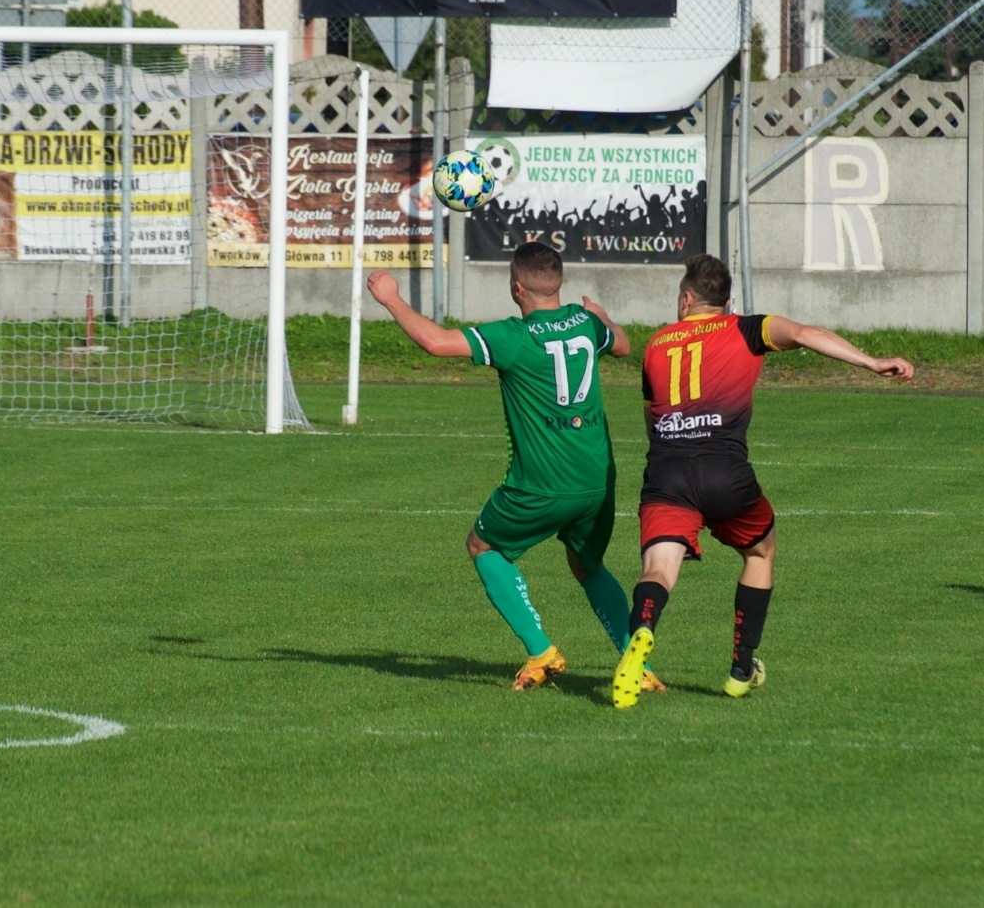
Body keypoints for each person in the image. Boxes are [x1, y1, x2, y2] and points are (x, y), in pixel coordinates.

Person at [611, 254, 914, 709]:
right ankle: (741, 669)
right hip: (725, 471)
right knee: (760, 550)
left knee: (658, 568)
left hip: (667, 472)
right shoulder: (745, 328)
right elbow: (808, 335)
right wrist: (871, 362)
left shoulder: (656, 344)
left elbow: (650, 419)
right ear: (727, 302)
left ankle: (643, 630)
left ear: (685, 298)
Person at [368, 242, 660, 692]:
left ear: (515, 287)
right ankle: (634, 665)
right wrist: (601, 315)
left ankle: (542, 651)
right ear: (558, 284)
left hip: (541, 484)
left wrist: (390, 297)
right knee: (588, 565)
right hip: (596, 481)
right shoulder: (585, 323)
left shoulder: (514, 336)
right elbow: (622, 344)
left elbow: (434, 341)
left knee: (483, 546)